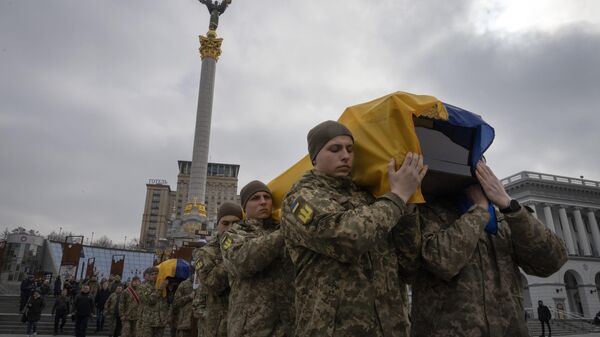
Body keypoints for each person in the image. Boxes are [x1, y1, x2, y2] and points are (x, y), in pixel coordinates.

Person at [281, 120, 425, 337]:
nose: (345, 155)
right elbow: (347, 238)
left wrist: (408, 206)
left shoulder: (371, 198)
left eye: (350, 149)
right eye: (334, 149)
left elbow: (409, 264)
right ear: (314, 158)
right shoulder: (299, 200)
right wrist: (398, 197)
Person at [410, 162, 568, 337]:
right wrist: (479, 211)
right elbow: (441, 261)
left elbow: (552, 261)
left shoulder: (504, 219)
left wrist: (508, 205)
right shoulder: (426, 211)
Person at [220, 180, 295, 337]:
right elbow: (241, 262)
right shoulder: (233, 235)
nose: (263, 202)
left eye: (267, 197)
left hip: (287, 326)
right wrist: (284, 233)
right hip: (251, 328)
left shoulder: (284, 229)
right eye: (255, 198)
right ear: (244, 208)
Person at [195, 202, 242, 337]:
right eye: (225, 223)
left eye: (236, 223)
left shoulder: (249, 243)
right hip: (217, 328)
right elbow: (213, 284)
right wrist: (231, 253)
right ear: (218, 225)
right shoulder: (205, 252)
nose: (230, 228)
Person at [137, 267, 169, 337]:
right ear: (148, 275)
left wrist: (170, 288)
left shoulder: (162, 285)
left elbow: (168, 301)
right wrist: (160, 289)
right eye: (152, 274)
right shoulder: (143, 287)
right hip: (148, 321)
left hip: (160, 321)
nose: (155, 276)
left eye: (156, 274)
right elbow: (150, 300)